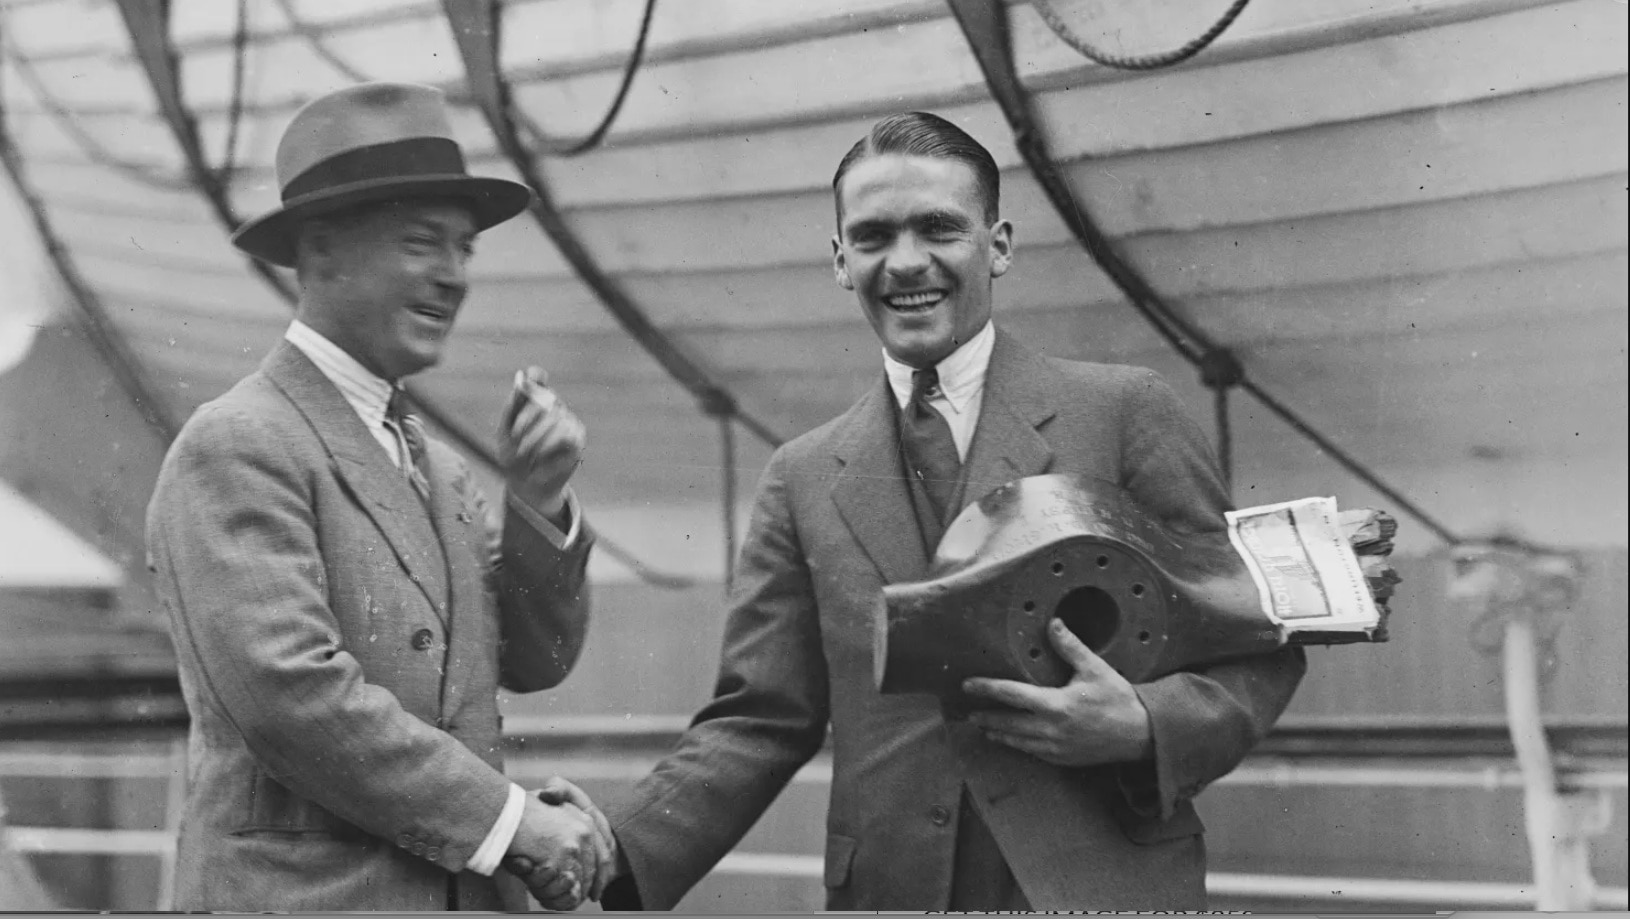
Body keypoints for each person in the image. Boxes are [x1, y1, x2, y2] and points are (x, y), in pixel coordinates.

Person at [595, 112, 1306, 911]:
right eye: (872, 236)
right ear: (839, 261)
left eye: (938, 228)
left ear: (997, 245)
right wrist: (611, 848)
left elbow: (1256, 640)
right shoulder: (799, 476)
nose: (905, 263)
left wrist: (1143, 723)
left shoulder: (1123, 412)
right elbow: (759, 720)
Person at [145, 82, 613, 911]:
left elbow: (530, 662)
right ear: (321, 252)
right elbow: (291, 699)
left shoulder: (439, 467)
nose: (454, 276)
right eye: (423, 243)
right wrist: (513, 824)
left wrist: (537, 499)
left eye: (465, 248)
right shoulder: (238, 443)